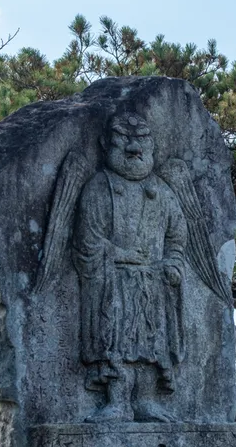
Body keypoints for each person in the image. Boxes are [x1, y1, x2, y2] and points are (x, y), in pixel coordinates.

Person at [72, 112, 187, 422]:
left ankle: (147, 401)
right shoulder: (99, 186)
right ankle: (117, 401)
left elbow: (177, 235)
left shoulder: (161, 190)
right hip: (113, 282)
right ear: (106, 145)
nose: (134, 151)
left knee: (152, 342)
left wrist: (173, 263)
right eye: (124, 143)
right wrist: (119, 254)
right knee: (116, 340)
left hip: (153, 282)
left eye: (142, 143)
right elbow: (86, 240)